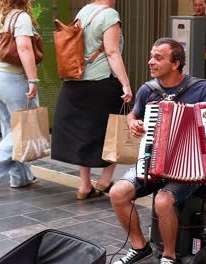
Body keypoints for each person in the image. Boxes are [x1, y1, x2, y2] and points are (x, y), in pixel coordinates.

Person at [109, 38, 206, 264]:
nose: (150, 62)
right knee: (118, 193)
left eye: (158, 58)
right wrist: (132, 123)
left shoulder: (200, 88)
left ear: (175, 63)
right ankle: (139, 247)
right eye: (151, 56)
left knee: (164, 201)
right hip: (153, 161)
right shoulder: (149, 90)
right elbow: (133, 114)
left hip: (190, 168)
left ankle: (169, 256)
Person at [51, 0, 132, 200]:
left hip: (75, 81)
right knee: (114, 128)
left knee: (83, 133)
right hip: (101, 81)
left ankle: (85, 185)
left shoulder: (83, 11)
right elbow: (112, 52)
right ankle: (105, 180)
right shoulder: (110, 15)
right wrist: (126, 84)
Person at [0, 0, 41, 195]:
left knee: (10, 130)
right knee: (26, 129)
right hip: (14, 80)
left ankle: (20, 177)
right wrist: (33, 80)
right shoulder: (21, 17)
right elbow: (24, 49)